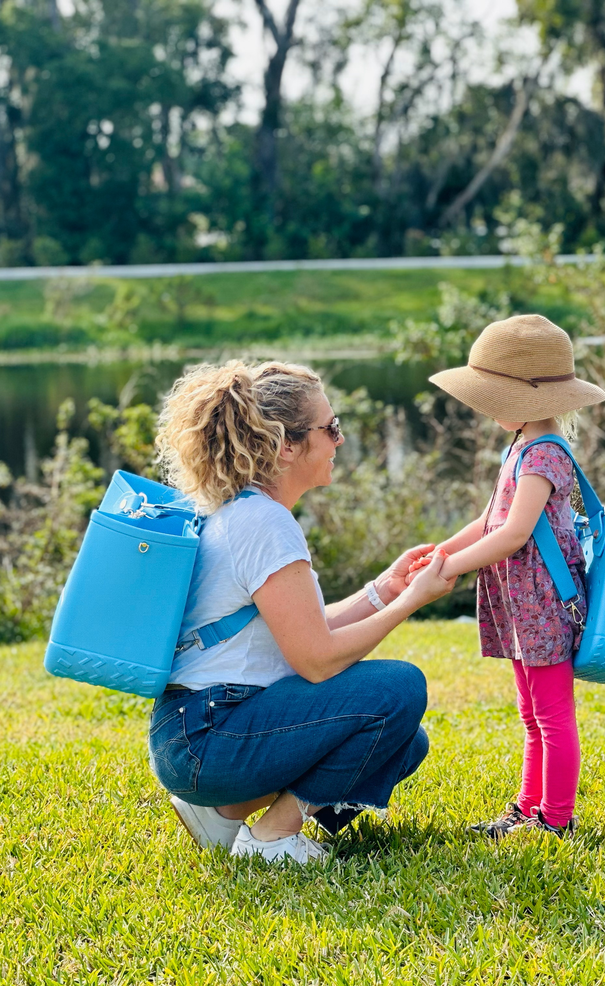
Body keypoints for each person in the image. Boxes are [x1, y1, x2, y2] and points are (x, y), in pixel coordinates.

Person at [148, 359, 455, 865]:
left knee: (405, 741)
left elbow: (301, 630)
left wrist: (383, 589)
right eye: (331, 428)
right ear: (286, 445)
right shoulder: (265, 524)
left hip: (194, 734)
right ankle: (272, 838)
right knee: (399, 687)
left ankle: (224, 814)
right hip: (208, 735)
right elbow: (316, 660)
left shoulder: (241, 512)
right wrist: (411, 601)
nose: (339, 439)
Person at [408, 314, 605, 838]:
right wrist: (441, 549)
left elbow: (515, 534)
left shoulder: (544, 453)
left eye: (492, 395)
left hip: (543, 602)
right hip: (520, 601)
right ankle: (526, 809)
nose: (486, 406)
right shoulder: (520, 446)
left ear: (524, 399)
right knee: (531, 711)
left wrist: (450, 569)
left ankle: (555, 820)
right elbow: (489, 520)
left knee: (551, 715)